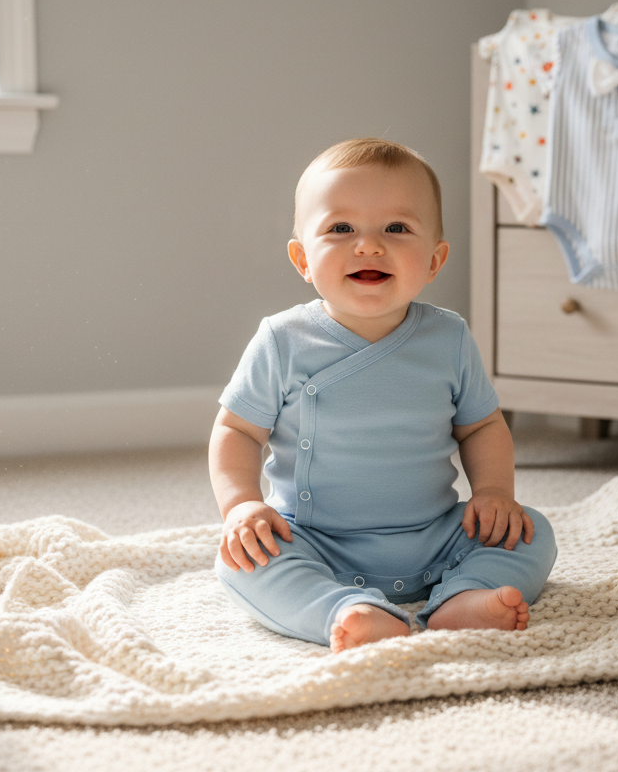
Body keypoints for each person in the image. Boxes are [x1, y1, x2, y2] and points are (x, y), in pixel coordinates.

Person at [210, 138, 557, 652]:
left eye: (396, 228)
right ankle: (344, 610)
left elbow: (482, 425)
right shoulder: (281, 341)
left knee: (532, 533)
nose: (369, 245)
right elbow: (237, 430)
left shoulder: (449, 338)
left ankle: (464, 598)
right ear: (303, 259)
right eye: (341, 228)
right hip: (314, 541)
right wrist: (241, 506)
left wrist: (493, 495)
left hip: (433, 536)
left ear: (435, 260)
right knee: (241, 562)